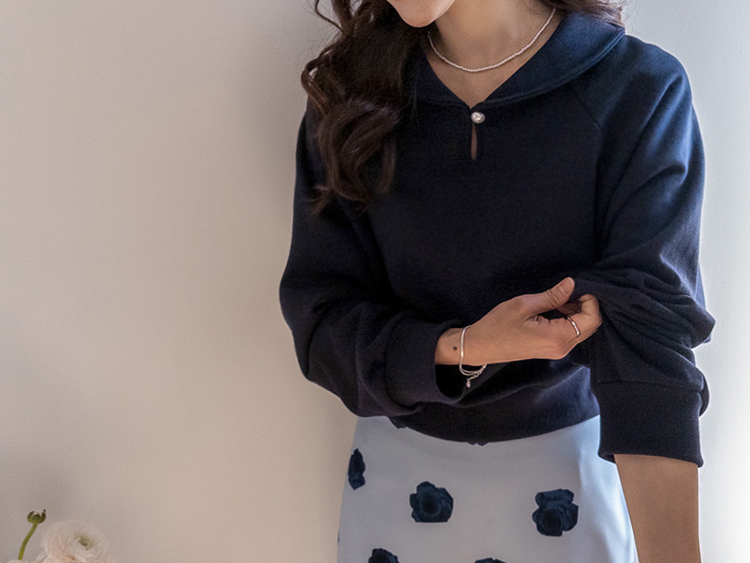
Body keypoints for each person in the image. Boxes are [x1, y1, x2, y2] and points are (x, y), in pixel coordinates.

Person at [279, 0, 714, 562]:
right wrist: (465, 347)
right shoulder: (350, 95)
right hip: (394, 486)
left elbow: (649, 353)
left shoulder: (637, 88)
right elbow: (322, 324)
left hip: (572, 486)